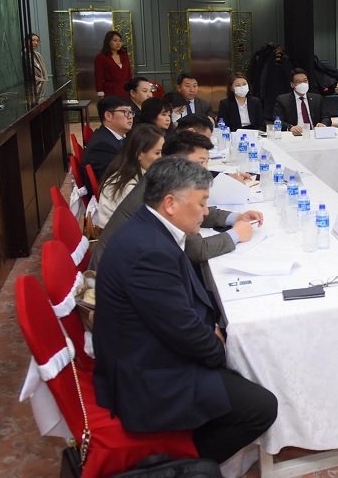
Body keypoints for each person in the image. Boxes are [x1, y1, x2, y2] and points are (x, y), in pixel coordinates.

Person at [93, 156, 277, 464]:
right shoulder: (148, 252)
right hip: (146, 376)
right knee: (260, 407)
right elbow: (183, 331)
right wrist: (220, 350)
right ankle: (182, 465)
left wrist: (212, 329)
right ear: (170, 203)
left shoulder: (151, 227)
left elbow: (177, 310)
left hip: (147, 345)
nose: (205, 212)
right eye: (202, 203)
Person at [89, 130, 263, 269]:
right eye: (200, 163)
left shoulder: (165, 174)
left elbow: (195, 210)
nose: (205, 169)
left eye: (206, 162)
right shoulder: (167, 186)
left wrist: (235, 217)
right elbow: (198, 250)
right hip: (119, 272)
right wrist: (236, 234)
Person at [96, 124, 165, 228]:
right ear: (139, 154)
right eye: (157, 153)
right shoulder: (130, 187)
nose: (161, 158)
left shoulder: (128, 172)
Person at [81, 96, 133, 190]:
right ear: (108, 116)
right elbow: (117, 180)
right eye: (125, 112)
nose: (130, 116)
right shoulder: (102, 146)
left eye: (131, 112)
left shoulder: (113, 136)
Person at [273, 68, 328, 133]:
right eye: (298, 82)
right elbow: (277, 121)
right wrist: (290, 127)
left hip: (314, 133)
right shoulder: (283, 100)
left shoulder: (317, 98)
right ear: (292, 84)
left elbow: (326, 117)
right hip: (295, 134)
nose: (303, 84)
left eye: (305, 81)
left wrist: (323, 124)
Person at [94, 30, 132, 98]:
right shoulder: (101, 57)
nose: (118, 43)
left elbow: (129, 74)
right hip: (110, 91)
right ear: (108, 42)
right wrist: (100, 91)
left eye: (120, 41)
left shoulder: (124, 55)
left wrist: (131, 88)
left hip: (125, 91)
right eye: (115, 40)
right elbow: (98, 77)